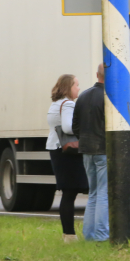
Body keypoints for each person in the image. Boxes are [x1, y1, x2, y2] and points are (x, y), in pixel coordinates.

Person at [46, 74, 87, 243]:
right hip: (67, 152)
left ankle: (68, 234)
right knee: (71, 193)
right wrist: (85, 127)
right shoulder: (68, 104)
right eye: (76, 85)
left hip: (56, 149)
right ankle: (69, 235)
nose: (78, 88)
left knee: (68, 193)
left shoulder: (56, 104)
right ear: (68, 87)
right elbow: (68, 127)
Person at [72, 64, 108, 242]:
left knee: (93, 192)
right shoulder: (109, 96)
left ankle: (89, 234)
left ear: (97, 74)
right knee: (103, 193)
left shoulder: (83, 96)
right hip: (103, 149)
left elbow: (75, 126)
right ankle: (102, 235)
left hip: (86, 149)